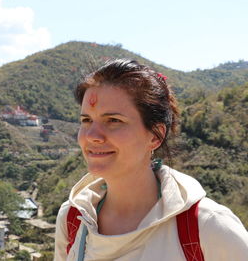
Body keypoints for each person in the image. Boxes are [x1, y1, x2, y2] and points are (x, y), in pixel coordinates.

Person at [54, 59, 248, 260]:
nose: (92, 135)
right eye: (86, 120)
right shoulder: (73, 218)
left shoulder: (209, 228)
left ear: (155, 136)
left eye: (113, 120)